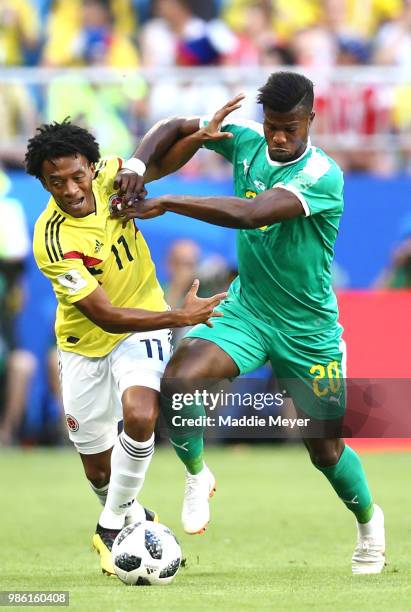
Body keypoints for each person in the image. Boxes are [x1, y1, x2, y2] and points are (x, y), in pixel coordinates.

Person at [114, 71, 385, 575]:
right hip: (248, 309)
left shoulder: (322, 175)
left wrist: (167, 199)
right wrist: (135, 166)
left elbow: (254, 214)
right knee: (181, 377)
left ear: (310, 120)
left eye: (290, 128)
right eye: (271, 127)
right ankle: (198, 475)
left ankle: (369, 521)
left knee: (324, 449)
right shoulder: (246, 141)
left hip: (310, 330)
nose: (279, 138)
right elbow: (174, 126)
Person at [25, 119, 226, 575]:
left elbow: (161, 148)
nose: (72, 188)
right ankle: (133, 516)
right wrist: (180, 316)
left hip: (143, 325)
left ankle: (111, 526)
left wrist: (194, 134)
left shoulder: (109, 178)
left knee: (140, 415)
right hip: (84, 344)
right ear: (43, 182)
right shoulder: (52, 240)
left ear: (91, 167)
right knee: (98, 472)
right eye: (56, 182)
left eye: (77, 175)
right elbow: (103, 315)